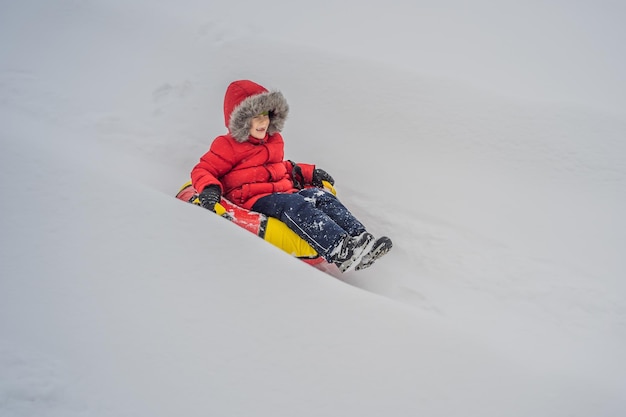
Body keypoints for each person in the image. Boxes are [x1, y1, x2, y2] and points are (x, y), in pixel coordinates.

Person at [191, 80, 391, 272]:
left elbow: (282, 167)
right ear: (241, 120)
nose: (263, 122)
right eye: (255, 117)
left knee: (320, 197)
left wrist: (308, 172)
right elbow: (204, 169)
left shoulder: (274, 140)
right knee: (293, 204)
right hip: (252, 199)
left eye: (266, 115)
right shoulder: (227, 145)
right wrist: (209, 188)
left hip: (282, 191)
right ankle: (339, 249)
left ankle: (361, 240)